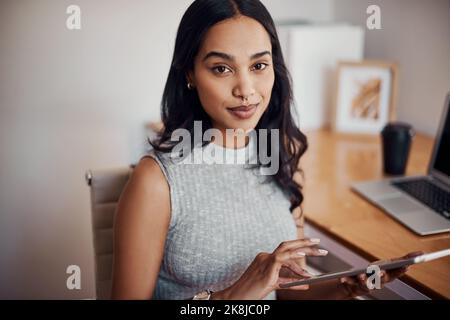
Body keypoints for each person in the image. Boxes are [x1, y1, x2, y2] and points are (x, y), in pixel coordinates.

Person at [111, 0, 413, 300]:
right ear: (189, 73)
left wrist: (347, 285)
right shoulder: (157, 181)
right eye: (221, 68)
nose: (246, 89)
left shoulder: (275, 154)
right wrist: (234, 296)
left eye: (258, 66)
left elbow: (290, 292)